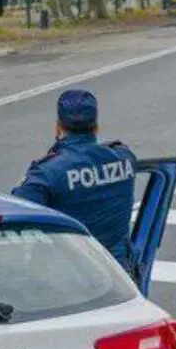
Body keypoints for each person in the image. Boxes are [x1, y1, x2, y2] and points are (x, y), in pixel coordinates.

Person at [11, 89, 138, 272]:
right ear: (95, 126)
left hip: (69, 278)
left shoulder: (47, 173)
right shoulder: (125, 158)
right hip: (119, 274)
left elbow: (18, 215)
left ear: (58, 126)